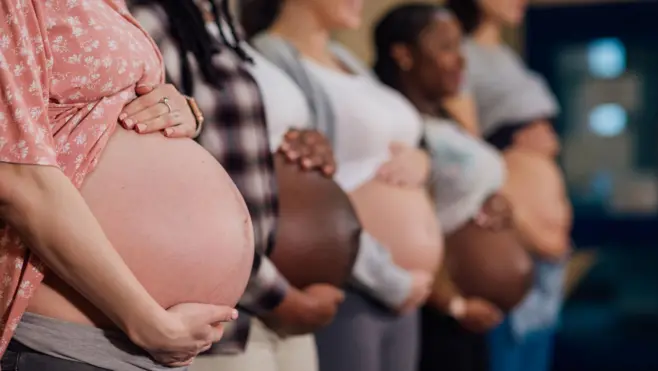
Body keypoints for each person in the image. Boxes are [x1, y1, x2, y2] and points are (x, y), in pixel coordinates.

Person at [0, 0, 259, 370]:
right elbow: (15, 179)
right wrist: (148, 323)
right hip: (67, 343)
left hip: (141, 343)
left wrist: (177, 107)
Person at [129, 1, 346, 371]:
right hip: (219, 313)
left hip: (269, 294)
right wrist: (275, 295)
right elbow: (174, 187)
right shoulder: (150, 20)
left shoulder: (223, 26)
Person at [239, 1, 444, 371]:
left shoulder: (345, 57)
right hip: (353, 281)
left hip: (400, 288)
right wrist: (388, 278)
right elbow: (309, 184)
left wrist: (422, 159)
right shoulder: (273, 59)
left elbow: (402, 136)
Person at [371, 4, 529, 371]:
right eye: (445, 47)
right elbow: (411, 221)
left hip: (472, 318)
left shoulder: (447, 119)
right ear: (404, 54)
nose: (460, 61)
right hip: (436, 310)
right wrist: (453, 302)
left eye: (460, 48)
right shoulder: (398, 124)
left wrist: (497, 202)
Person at [446, 0, 573, 371]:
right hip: (511, 234)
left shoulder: (506, 55)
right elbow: (471, 153)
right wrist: (529, 229)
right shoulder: (461, 55)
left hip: (546, 253)